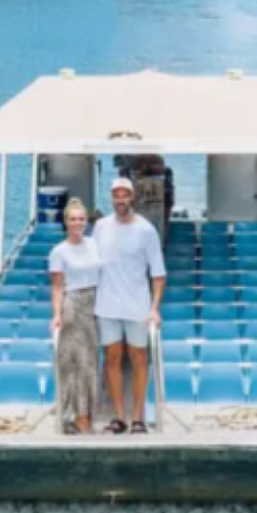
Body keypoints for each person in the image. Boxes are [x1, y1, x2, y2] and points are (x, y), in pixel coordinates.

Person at [93, 174, 166, 434]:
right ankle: (119, 417)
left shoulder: (146, 230)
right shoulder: (100, 227)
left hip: (137, 306)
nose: (120, 199)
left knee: (138, 357)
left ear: (132, 197)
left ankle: (138, 418)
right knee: (112, 357)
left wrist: (154, 308)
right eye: (116, 194)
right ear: (112, 197)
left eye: (125, 194)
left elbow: (158, 273)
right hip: (106, 306)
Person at [48, 198, 103, 435]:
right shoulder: (58, 252)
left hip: (97, 303)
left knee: (90, 362)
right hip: (73, 305)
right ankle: (74, 416)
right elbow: (58, 287)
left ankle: (87, 413)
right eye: (73, 219)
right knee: (73, 363)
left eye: (81, 219)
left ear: (87, 221)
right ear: (66, 222)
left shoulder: (94, 244)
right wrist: (57, 315)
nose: (77, 223)